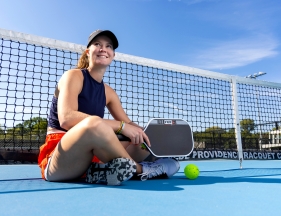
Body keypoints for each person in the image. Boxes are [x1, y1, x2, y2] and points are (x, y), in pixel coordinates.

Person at [38, 29, 180, 185]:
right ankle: (143, 170)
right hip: (59, 161)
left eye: (108, 46)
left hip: (91, 160)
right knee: (95, 123)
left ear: (113, 55)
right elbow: (66, 118)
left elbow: (129, 124)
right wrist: (120, 126)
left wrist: (152, 135)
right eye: (97, 44)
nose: (103, 49)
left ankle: (100, 171)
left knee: (141, 140)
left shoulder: (109, 92)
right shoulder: (74, 76)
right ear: (87, 52)